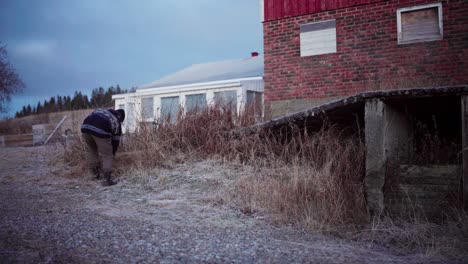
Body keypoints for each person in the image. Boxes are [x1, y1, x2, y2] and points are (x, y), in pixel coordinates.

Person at [81, 108, 125, 186]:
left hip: (85, 127)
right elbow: (115, 142)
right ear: (121, 117)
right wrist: (112, 153)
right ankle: (107, 180)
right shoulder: (117, 120)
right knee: (107, 155)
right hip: (100, 129)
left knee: (92, 151)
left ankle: (95, 175)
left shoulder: (103, 111)